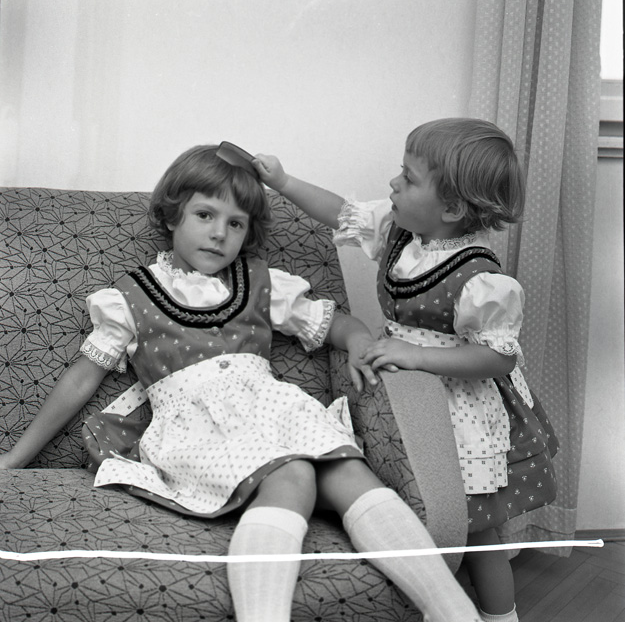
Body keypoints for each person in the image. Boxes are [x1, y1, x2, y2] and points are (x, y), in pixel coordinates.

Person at [0, 145, 482, 622]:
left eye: (236, 224)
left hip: (276, 412)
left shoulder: (260, 282)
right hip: (197, 429)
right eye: (204, 215)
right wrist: (16, 457)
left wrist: (357, 340)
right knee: (293, 476)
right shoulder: (132, 296)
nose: (219, 233)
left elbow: (334, 323)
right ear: (171, 216)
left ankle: (454, 613)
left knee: (349, 472)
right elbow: (81, 379)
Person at [254, 118, 559, 622]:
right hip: (402, 398)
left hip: (459, 413)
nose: (394, 184)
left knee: (476, 530)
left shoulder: (481, 279)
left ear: (452, 208)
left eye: (409, 178)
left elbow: (498, 357)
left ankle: (499, 616)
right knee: (409, 505)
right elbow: (340, 212)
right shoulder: (401, 234)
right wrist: (283, 181)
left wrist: (416, 355)